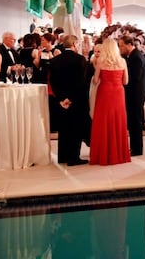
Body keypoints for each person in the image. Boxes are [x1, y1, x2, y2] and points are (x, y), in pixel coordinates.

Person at [49, 35, 90, 166]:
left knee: (64, 127)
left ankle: (62, 156)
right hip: (77, 100)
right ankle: (73, 157)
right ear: (74, 44)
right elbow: (81, 82)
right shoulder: (80, 59)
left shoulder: (55, 60)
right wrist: (71, 99)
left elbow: (53, 82)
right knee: (76, 128)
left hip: (61, 101)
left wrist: (61, 98)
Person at [90, 38, 131, 166]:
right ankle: (118, 153)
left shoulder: (101, 62)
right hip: (118, 93)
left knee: (103, 122)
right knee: (118, 121)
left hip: (104, 93)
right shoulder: (122, 61)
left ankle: (103, 153)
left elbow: (95, 80)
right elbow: (126, 82)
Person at [118, 35, 145, 156]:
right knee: (133, 121)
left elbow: (134, 78)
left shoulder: (136, 58)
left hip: (135, 95)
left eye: (122, 46)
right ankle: (134, 147)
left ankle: (137, 149)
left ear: (129, 44)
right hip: (134, 94)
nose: (120, 48)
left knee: (135, 122)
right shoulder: (132, 56)